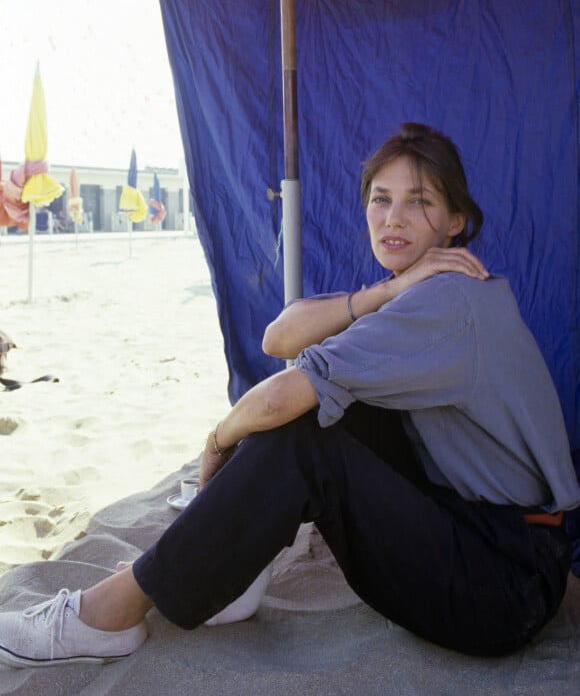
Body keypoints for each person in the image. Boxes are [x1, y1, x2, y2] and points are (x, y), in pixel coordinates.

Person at [0, 122, 579, 667]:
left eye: (420, 201)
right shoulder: (421, 293)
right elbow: (281, 335)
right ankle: (232, 571)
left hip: (501, 589)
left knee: (303, 431)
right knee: (332, 403)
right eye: (381, 198)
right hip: (499, 549)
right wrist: (391, 287)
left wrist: (215, 442)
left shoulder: (448, 303)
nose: (394, 217)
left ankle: (111, 613)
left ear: (455, 220)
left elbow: (277, 400)